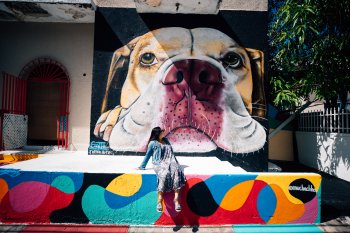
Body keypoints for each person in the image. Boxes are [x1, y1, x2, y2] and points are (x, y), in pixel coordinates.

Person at [136, 127, 186, 212]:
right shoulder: (152, 143)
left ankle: (176, 200)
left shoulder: (166, 140)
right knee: (163, 174)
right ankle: (159, 200)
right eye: (162, 132)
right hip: (159, 163)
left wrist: (173, 162)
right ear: (157, 134)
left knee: (176, 172)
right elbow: (148, 155)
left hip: (170, 161)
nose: (163, 133)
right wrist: (142, 166)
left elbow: (171, 152)